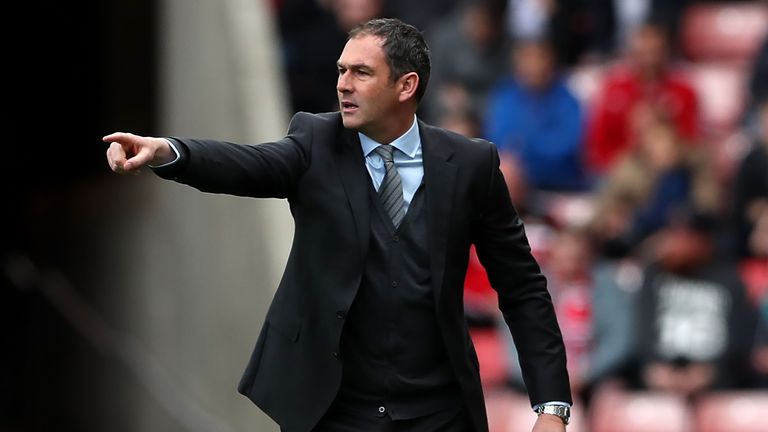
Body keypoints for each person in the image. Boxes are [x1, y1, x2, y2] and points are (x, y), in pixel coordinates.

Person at [103, 18, 571, 432]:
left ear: (406, 86)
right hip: (335, 409)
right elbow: (247, 164)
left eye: (361, 73)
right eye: (341, 71)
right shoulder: (314, 141)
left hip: (437, 410)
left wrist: (551, 405)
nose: (343, 84)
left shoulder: (471, 164)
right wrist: (167, 151)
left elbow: (523, 287)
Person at [484, 38, 588, 192]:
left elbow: (567, 146)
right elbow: (496, 138)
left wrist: (525, 152)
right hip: (513, 181)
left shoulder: (567, 100)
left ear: (551, 62)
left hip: (557, 185)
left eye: (539, 58)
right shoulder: (506, 95)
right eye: (527, 58)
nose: (533, 65)